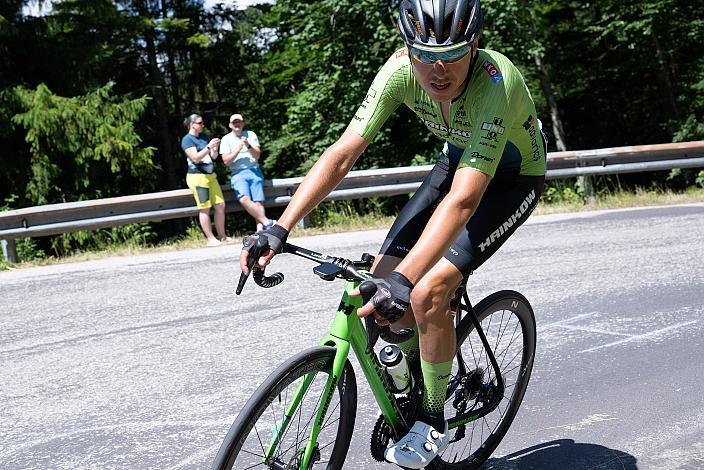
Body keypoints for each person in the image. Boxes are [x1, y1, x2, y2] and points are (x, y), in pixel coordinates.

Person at [241, 0, 547, 467]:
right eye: (424, 54)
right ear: (406, 48)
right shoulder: (399, 72)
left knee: (425, 291)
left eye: (453, 54)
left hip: (512, 179)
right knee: (378, 288)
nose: (437, 70)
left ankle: (431, 415)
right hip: (456, 160)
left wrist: (408, 281)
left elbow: (464, 201)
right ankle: (409, 368)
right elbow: (343, 153)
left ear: (476, 46)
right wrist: (279, 227)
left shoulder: (494, 82)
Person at [181, 113, 231, 247]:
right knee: (205, 208)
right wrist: (208, 147)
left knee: (220, 205)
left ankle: (222, 236)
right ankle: (210, 238)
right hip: (197, 177)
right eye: (200, 123)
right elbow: (195, 158)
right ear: (192, 125)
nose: (203, 125)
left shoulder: (203, 137)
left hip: (210, 175)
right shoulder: (187, 140)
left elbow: (213, 157)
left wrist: (215, 148)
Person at [220, 113, 274, 232]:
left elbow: (257, 155)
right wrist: (238, 149)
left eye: (239, 122)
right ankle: (267, 222)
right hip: (238, 173)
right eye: (234, 122)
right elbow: (226, 161)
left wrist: (248, 145)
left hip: (254, 170)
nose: (237, 124)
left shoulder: (250, 135)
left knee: (258, 201)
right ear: (230, 125)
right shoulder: (226, 139)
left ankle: (261, 230)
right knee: (244, 199)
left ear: (243, 123)